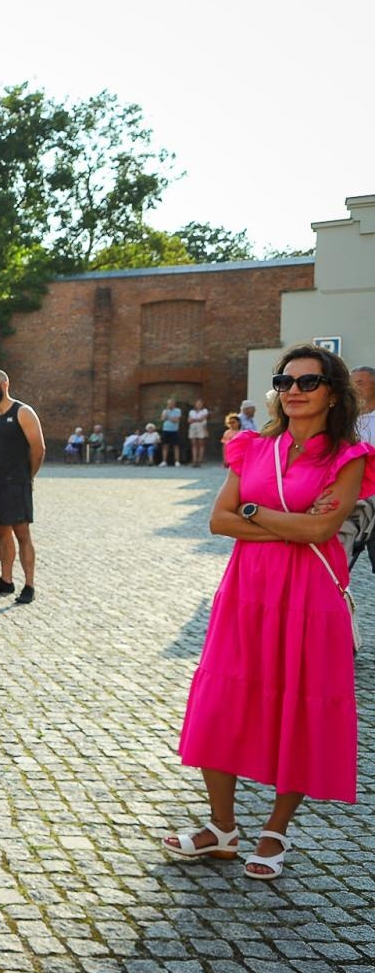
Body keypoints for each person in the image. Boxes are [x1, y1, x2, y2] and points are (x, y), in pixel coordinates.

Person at [165, 344, 373, 881]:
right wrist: (283, 518)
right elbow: (220, 520)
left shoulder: (348, 458)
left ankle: (275, 831)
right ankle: (222, 828)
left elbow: (322, 531)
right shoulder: (253, 448)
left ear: (333, 392)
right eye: (285, 382)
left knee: (301, 709)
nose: (294, 391)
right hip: (245, 593)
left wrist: (255, 512)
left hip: (311, 599)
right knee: (221, 701)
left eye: (308, 382)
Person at [0, 369, 44, 603]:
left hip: (17, 483)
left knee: (22, 534)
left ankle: (29, 585)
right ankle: (6, 581)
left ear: (5, 385)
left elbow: (38, 449)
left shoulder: (23, 412)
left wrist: (28, 477)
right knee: (2, 532)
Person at [158, 396, 183, 467]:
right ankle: (164, 461)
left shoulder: (178, 410)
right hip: (166, 429)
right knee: (165, 446)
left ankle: (177, 461)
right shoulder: (165, 411)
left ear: (174, 404)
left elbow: (176, 420)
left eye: (171, 403)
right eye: (169, 403)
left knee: (176, 446)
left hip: (174, 430)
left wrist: (168, 418)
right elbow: (162, 418)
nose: (170, 405)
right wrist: (168, 416)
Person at [189, 398, 211, 467]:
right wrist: (197, 419)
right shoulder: (191, 411)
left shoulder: (205, 411)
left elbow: (202, 419)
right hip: (193, 427)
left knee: (201, 444)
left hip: (201, 427)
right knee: (194, 444)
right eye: (197, 403)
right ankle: (194, 460)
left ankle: (200, 460)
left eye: (200, 404)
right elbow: (189, 420)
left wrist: (194, 419)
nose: (198, 405)